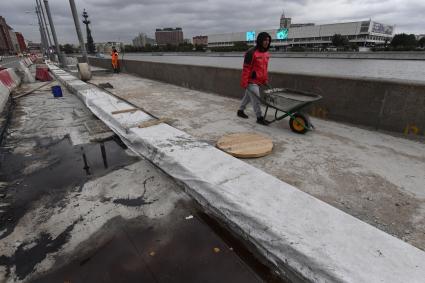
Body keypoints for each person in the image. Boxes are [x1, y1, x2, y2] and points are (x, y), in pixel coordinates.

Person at [237, 32, 271, 126]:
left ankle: (240, 110)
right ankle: (259, 118)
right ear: (260, 40)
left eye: (268, 40)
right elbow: (246, 68)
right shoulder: (251, 53)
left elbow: (264, 69)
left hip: (259, 81)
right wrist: (244, 82)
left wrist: (265, 80)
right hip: (251, 81)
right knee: (256, 99)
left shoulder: (266, 54)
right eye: (265, 40)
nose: (266, 42)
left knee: (248, 97)